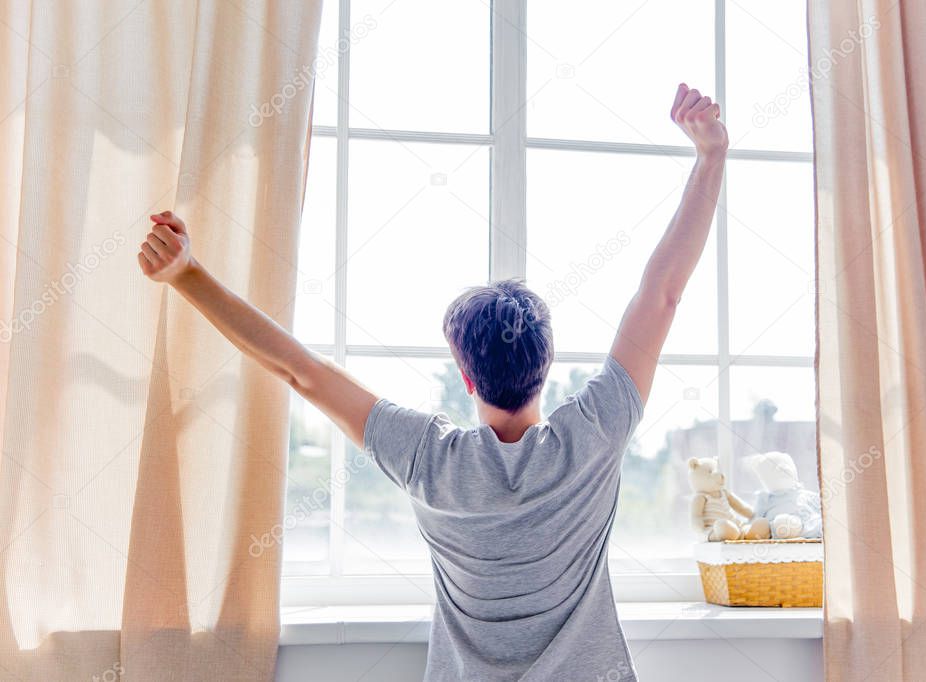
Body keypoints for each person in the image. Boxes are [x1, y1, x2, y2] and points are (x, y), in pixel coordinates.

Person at [138, 83, 727, 681]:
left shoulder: (427, 458)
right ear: (546, 364)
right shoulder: (595, 432)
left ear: (466, 377)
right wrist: (710, 157)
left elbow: (302, 372)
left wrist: (187, 275)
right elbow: (663, 294)